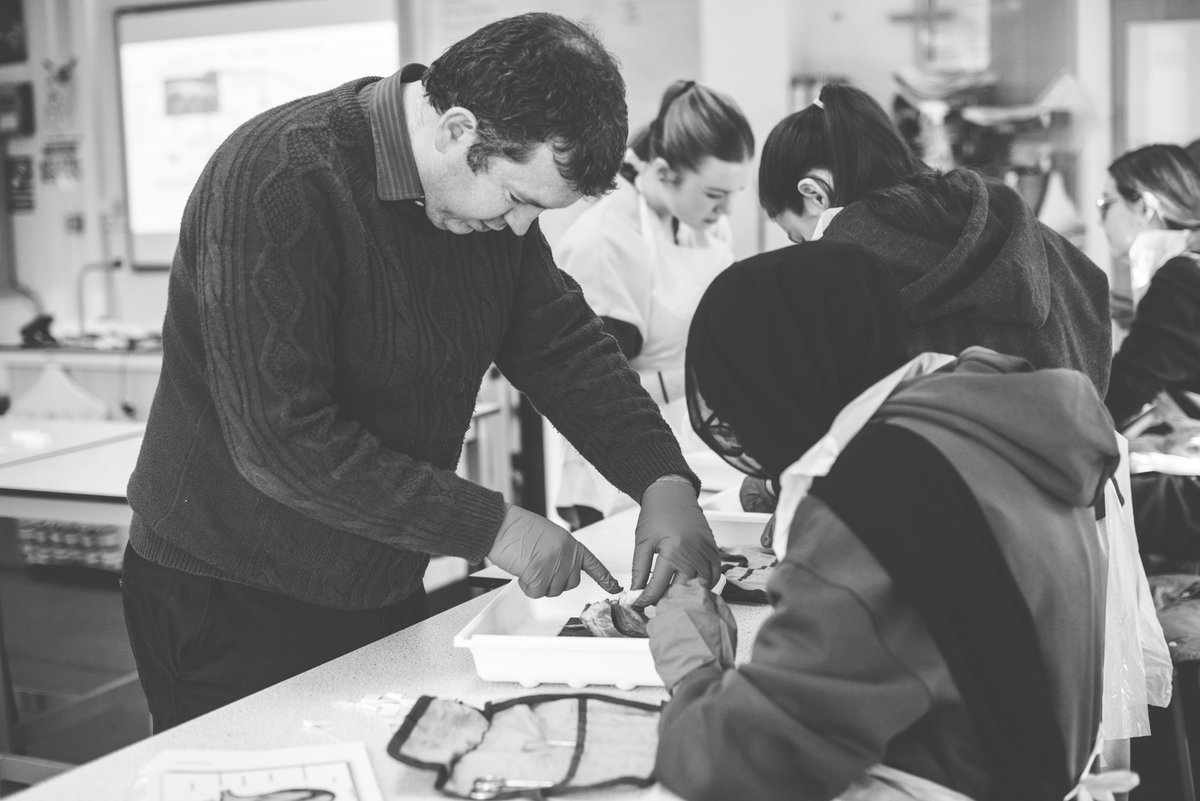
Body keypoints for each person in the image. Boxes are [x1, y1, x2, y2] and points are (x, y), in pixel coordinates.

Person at [121, 12, 721, 732]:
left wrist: (662, 477)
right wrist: (493, 526)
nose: (522, 229)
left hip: (377, 579)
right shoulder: (277, 180)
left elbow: (565, 349)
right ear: (457, 131)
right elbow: (281, 441)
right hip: (231, 594)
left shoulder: (484, 211)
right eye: (520, 199)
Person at [647, 242, 1118, 801]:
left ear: (776, 376)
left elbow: (742, 768)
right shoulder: (977, 420)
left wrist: (693, 670)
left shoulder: (874, 496)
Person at [757, 82, 1112, 396]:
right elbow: (1092, 291)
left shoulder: (848, 261)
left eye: (800, 238)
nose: (810, 250)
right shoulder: (1000, 212)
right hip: (1078, 454)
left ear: (814, 194)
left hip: (956, 463)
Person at [552, 79, 754, 529]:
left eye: (732, 196)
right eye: (714, 196)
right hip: (615, 463)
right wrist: (710, 376)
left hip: (688, 442)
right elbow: (593, 390)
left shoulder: (698, 221)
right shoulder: (606, 240)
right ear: (663, 173)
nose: (724, 213)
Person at [1099, 144, 1200, 563]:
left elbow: (1124, 390)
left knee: (1080, 510)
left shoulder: (1183, 275)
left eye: (1106, 203)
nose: (1100, 217)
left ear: (1144, 205)